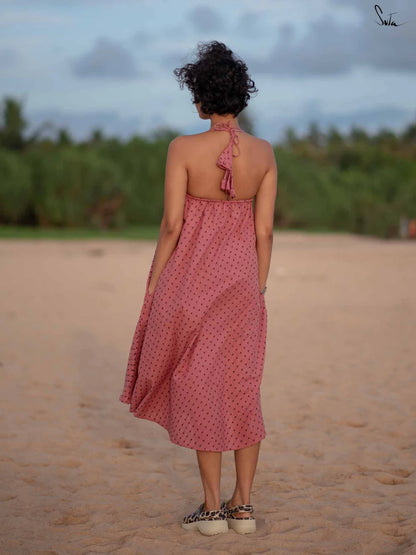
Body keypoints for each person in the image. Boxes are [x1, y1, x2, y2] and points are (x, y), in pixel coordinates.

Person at [119, 40, 277, 536]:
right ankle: (243, 508)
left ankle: (211, 509)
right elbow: (264, 233)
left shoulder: (182, 149)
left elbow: (171, 224)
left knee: (199, 387)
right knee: (242, 389)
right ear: (242, 98)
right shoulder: (265, 153)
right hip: (242, 287)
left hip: (189, 284)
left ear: (200, 100)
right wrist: (260, 287)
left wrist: (153, 282)